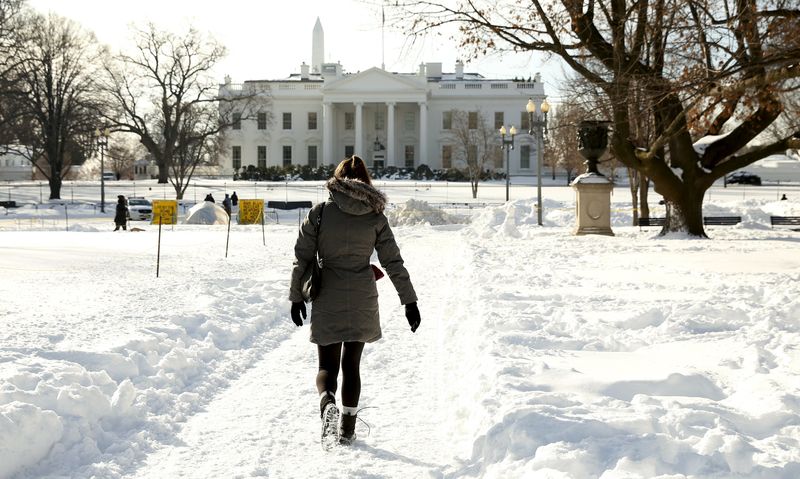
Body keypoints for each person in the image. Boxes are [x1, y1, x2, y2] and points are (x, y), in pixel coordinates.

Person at [289, 155, 421, 447]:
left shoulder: (320, 214)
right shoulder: (375, 217)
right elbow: (393, 262)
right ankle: (347, 430)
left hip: (328, 294)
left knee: (327, 367)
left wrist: (296, 295)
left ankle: (328, 405)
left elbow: (303, 258)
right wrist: (409, 301)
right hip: (362, 294)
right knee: (352, 365)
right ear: (366, 182)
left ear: (337, 181)